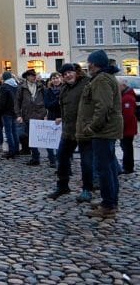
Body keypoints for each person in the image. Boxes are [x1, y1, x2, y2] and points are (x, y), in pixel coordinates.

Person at [79, 50, 123, 218]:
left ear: (94, 64)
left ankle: (108, 205)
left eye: (89, 63)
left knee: (104, 168)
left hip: (104, 131)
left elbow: (102, 107)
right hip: (108, 129)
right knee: (110, 167)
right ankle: (110, 200)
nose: (88, 66)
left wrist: (92, 127)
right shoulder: (105, 78)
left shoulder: (102, 80)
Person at [47, 63, 94, 202]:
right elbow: (65, 108)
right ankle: (62, 186)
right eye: (64, 74)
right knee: (61, 157)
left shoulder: (87, 83)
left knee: (86, 162)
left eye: (70, 72)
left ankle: (87, 189)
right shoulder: (64, 89)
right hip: (68, 130)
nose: (68, 75)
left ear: (76, 72)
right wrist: (62, 118)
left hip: (84, 130)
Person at [15, 69, 46, 165]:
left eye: (34, 75)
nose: (34, 77)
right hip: (27, 115)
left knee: (43, 137)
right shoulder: (22, 88)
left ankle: (52, 159)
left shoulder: (41, 86)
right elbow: (17, 102)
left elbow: (46, 100)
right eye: (32, 76)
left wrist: (46, 114)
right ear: (27, 77)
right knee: (31, 138)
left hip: (39, 114)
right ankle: (35, 156)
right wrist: (18, 115)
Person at [43, 72, 63, 167]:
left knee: (61, 140)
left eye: (57, 78)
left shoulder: (64, 89)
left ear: (60, 78)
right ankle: (52, 159)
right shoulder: (48, 91)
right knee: (50, 140)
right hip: (51, 116)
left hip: (62, 117)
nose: (55, 80)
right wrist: (57, 101)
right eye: (53, 78)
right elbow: (48, 105)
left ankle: (60, 159)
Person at [0, 72, 19, 159]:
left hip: (6, 112)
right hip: (14, 112)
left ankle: (11, 151)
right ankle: (16, 149)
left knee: (8, 132)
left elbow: (2, 102)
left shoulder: (4, 86)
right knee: (14, 131)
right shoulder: (16, 85)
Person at [118, 77, 137, 174]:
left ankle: (128, 167)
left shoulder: (127, 98)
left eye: (119, 86)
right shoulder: (126, 96)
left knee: (127, 148)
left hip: (127, 128)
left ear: (123, 86)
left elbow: (127, 115)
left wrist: (121, 126)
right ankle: (127, 166)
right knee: (126, 147)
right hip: (127, 128)